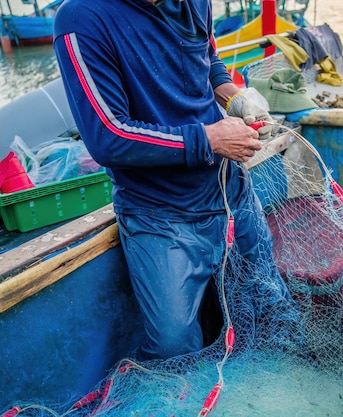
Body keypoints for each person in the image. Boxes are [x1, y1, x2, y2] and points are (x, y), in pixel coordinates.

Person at [53, 0, 299, 360]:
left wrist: (234, 97)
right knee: (174, 346)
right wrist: (211, 139)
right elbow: (108, 136)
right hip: (160, 215)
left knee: (268, 304)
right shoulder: (81, 18)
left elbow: (208, 57)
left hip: (232, 194)